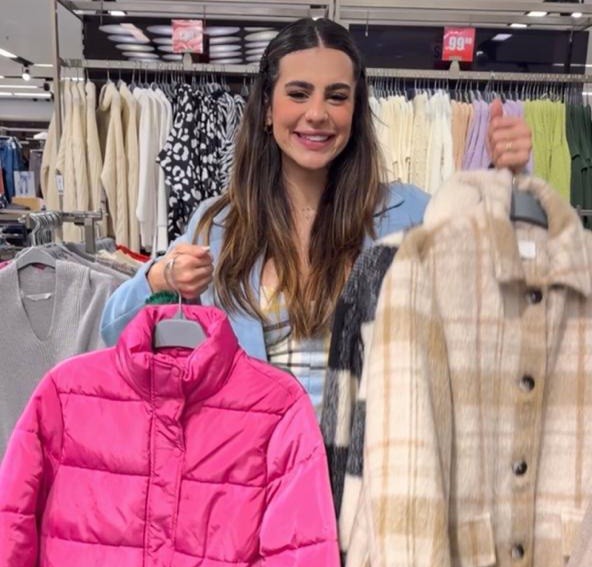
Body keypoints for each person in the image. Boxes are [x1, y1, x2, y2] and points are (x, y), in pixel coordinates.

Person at [100, 17, 532, 417]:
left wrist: (509, 186)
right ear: (267, 108)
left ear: (355, 111)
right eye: (298, 93)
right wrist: (159, 278)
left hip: (373, 466)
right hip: (255, 467)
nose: (317, 113)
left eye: (337, 96)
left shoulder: (410, 214)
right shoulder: (219, 225)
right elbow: (115, 333)